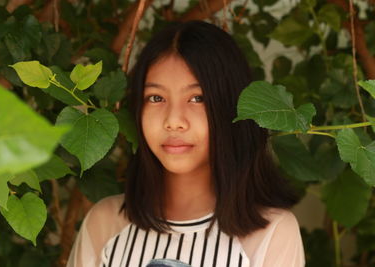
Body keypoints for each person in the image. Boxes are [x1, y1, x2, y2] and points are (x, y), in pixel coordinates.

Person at [67, 20, 305, 267]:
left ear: (231, 106)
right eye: (156, 98)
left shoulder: (271, 232)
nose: (173, 121)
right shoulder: (105, 223)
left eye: (197, 98)